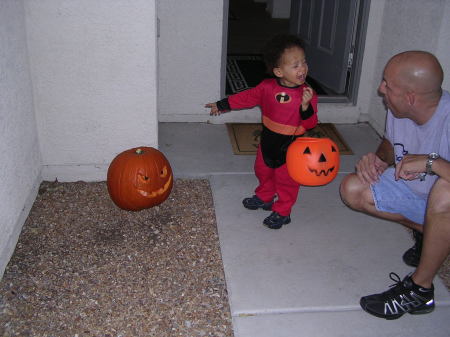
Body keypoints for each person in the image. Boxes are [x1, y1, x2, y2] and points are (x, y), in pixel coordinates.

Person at [340, 50, 450, 320]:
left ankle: (420, 291)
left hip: (442, 201)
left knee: (445, 191)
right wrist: (378, 160)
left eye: (387, 84)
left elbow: (434, 168)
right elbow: (391, 143)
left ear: (410, 97)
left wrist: (432, 163)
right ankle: (432, 236)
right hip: (422, 199)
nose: (381, 89)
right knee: (353, 188)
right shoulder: (398, 109)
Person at [205, 34, 318, 229]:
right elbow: (246, 97)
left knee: (287, 180)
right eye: (295, 65)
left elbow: (310, 123)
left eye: (304, 62)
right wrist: (222, 104)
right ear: (279, 71)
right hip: (268, 141)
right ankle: (265, 196)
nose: (303, 68)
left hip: (292, 145)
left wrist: (306, 106)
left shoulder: (307, 93)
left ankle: (283, 211)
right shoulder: (267, 88)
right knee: (262, 170)